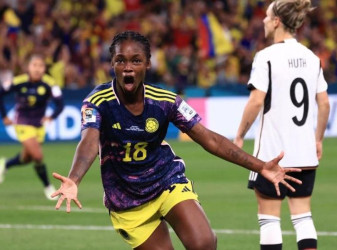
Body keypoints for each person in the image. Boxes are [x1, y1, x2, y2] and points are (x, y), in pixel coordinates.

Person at [51, 30, 302, 250]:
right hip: (126, 200)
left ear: (148, 64)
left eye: (136, 61)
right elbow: (88, 142)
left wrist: (261, 167)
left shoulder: (165, 101)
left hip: (166, 182)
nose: (128, 67)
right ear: (112, 64)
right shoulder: (97, 102)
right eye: (121, 60)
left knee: (204, 243)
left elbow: (209, 140)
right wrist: (74, 179)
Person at [234, 1, 330, 250]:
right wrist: (318, 139)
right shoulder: (312, 57)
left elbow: (256, 102)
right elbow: (324, 103)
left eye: (267, 17)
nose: (263, 21)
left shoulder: (266, 57)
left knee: (269, 219)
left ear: (277, 21)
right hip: (304, 153)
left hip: (272, 155)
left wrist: (239, 136)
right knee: (303, 217)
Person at [0, 54, 64, 200]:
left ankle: (5, 164)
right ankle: (48, 187)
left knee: (27, 158)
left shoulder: (50, 83)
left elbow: (60, 104)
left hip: (39, 126)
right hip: (22, 122)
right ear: (28, 67)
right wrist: (4, 116)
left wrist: (51, 117)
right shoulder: (18, 81)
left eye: (40, 66)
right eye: (34, 65)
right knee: (38, 156)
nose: (37, 69)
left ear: (44, 69)